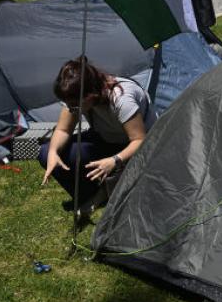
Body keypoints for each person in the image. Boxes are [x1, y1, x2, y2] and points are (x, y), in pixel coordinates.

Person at [40, 56, 153, 219]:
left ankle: (110, 186)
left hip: (137, 147)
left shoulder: (121, 98)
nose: (70, 109)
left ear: (90, 96)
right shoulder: (74, 94)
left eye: (74, 106)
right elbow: (63, 130)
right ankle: (92, 194)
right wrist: (52, 153)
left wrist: (114, 160)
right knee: (45, 153)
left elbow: (140, 140)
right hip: (105, 138)